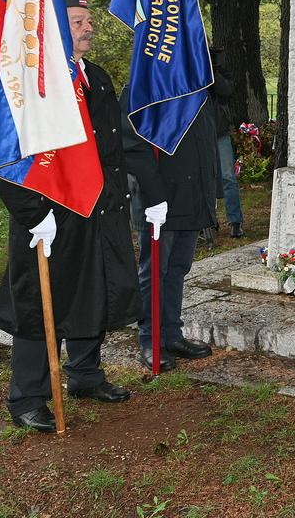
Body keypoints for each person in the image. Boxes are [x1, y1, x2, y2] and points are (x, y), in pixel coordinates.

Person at [0, 0, 140, 432]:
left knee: (95, 292)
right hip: (49, 216)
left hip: (98, 210)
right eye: (78, 22)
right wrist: (34, 216)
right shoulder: (29, 86)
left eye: (89, 21)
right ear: (56, 28)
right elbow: (6, 160)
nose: (88, 28)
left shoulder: (95, 75)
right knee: (40, 306)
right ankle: (28, 397)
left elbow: (111, 149)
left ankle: (86, 375)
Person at [122, 75, 218, 370]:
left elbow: (204, 143)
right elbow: (133, 145)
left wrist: (207, 192)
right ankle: (149, 340)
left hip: (191, 196)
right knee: (154, 271)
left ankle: (171, 334)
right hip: (160, 197)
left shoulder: (195, 85)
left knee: (177, 269)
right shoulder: (142, 84)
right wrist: (154, 195)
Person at [209, 46, 245, 237]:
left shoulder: (219, 60)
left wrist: (212, 68)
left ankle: (235, 221)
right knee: (204, 178)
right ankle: (208, 221)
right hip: (199, 130)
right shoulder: (187, 60)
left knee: (227, 177)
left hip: (219, 128)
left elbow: (226, 90)